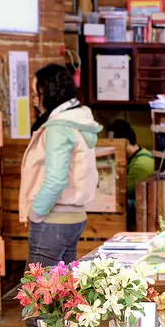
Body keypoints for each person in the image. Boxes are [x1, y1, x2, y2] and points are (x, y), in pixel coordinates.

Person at [19, 64, 102, 266]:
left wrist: (35, 213)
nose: (35, 100)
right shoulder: (79, 121)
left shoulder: (59, 127)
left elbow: (56, 180)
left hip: (53, 219)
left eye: (36, 94)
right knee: (63, 284)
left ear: (49, 92)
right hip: (75, 217)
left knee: (37, 284)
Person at [106, 119, 155, 229]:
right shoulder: (133, 157)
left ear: (125, 142)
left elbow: (124, 192)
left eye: (113, 144)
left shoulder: (141, 163)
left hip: (142, 210)